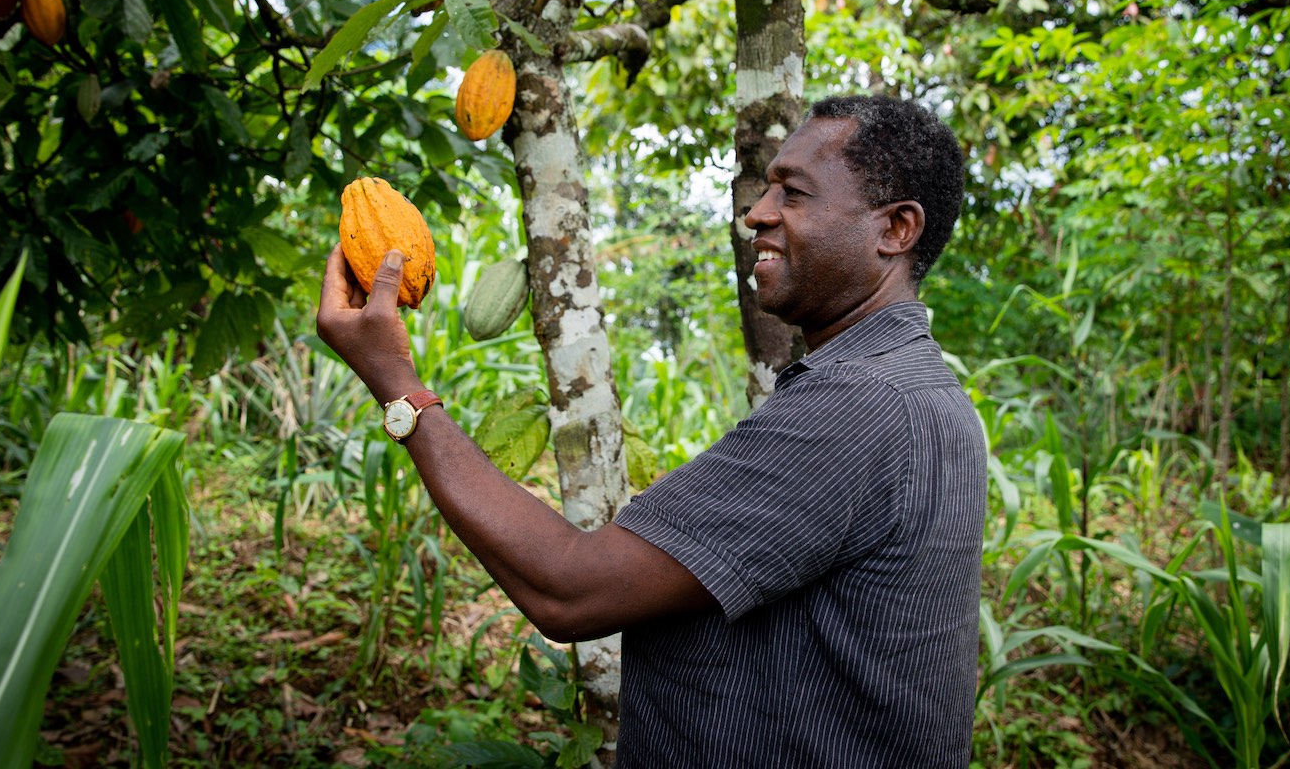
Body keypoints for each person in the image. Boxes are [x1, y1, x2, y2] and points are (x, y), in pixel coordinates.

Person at [316, 93, 985, 767]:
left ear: (895, 229)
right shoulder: (920, 389)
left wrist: (395, 382)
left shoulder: (859, 404)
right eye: (764, 188)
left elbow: (568, 588)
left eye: (795, 192)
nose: (756, 213)